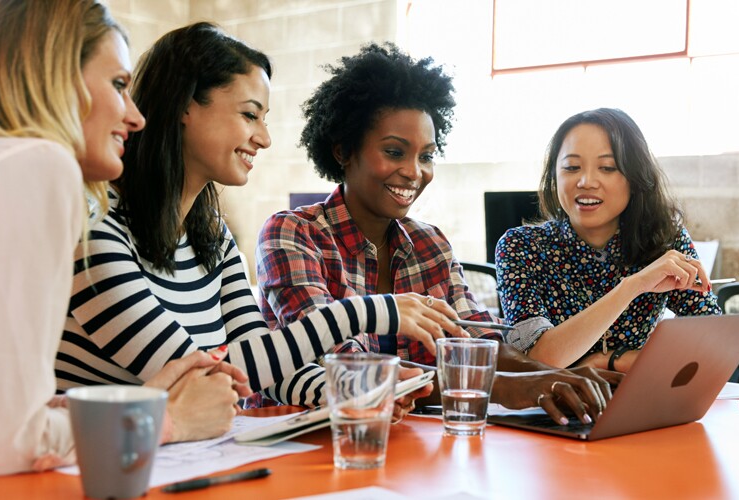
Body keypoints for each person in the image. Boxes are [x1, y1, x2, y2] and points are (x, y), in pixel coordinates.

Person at [55, 23, 457, 419]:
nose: (264, 138)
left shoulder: (212, 235)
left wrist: (360, 388)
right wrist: (369, 311)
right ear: (184, 106)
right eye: (250, 115)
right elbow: (196, 376)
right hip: (91, 470)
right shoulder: (95, 226)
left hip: (177, 462)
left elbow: (266, 370)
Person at [257, 42, 620, 425]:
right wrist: (506, 388)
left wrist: (553, 377)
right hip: (301, 448)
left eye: (426, 155)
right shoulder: (292, 234)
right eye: (395, 152)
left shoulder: (430, 244)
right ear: (344, 150)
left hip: (408, 448)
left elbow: (478, 343)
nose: (415, 171)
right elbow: (347, 368)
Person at [0, 0, 249, 477]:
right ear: (55, 76)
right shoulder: (37, 167)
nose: (135, 116)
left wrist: (136, 402)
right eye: (119, 85)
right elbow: (3, 442)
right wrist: (166, 418)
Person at [495, 108, 721, 372]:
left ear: (635, 177)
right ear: (554, 175)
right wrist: (632, 287)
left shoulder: (665, 241)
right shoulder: (520, 247)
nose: (586, 181)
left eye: (607, 167)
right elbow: (536, 361)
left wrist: (609, 360)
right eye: (571, 167)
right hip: (554, 408)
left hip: (642, 403)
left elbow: (714, 347)